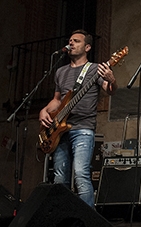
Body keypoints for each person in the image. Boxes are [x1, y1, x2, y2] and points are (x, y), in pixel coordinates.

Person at [39, 29, 117, 206]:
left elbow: (110, 90)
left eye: (76, 41)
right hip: (59, 130)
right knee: (60, 177)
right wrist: (43, 111)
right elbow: (57, 100)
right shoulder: (60, 71)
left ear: (87, 47)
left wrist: (112, 80)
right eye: (70, 40)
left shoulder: (95, 69)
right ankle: (63, 217)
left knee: (81, 174)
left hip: (83, 128)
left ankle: (87, 222)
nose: (71, 43)